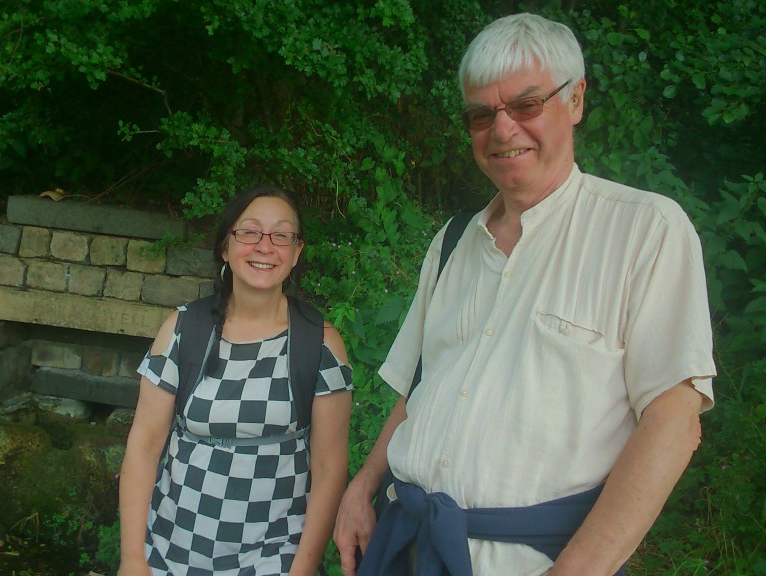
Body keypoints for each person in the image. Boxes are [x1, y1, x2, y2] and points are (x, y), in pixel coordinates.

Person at [333, 12, 716, 576]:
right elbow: (420, 386)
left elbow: (674, 420)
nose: (503, 130)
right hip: (406, 544)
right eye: (481, 114)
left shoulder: (645, 230)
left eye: (527, 105)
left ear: (576, 99)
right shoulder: (453, 241)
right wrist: (362, 487)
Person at [118, 185, 354, 575]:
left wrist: (303, 569)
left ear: (296, 252)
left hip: (273, 558)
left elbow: (329, 468)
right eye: (250, 232)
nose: (265, 246)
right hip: (170, 552)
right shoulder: (183, 329)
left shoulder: (319, 343)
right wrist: (132, 560)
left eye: (281, 235)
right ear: (225, 248)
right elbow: (143, 447)